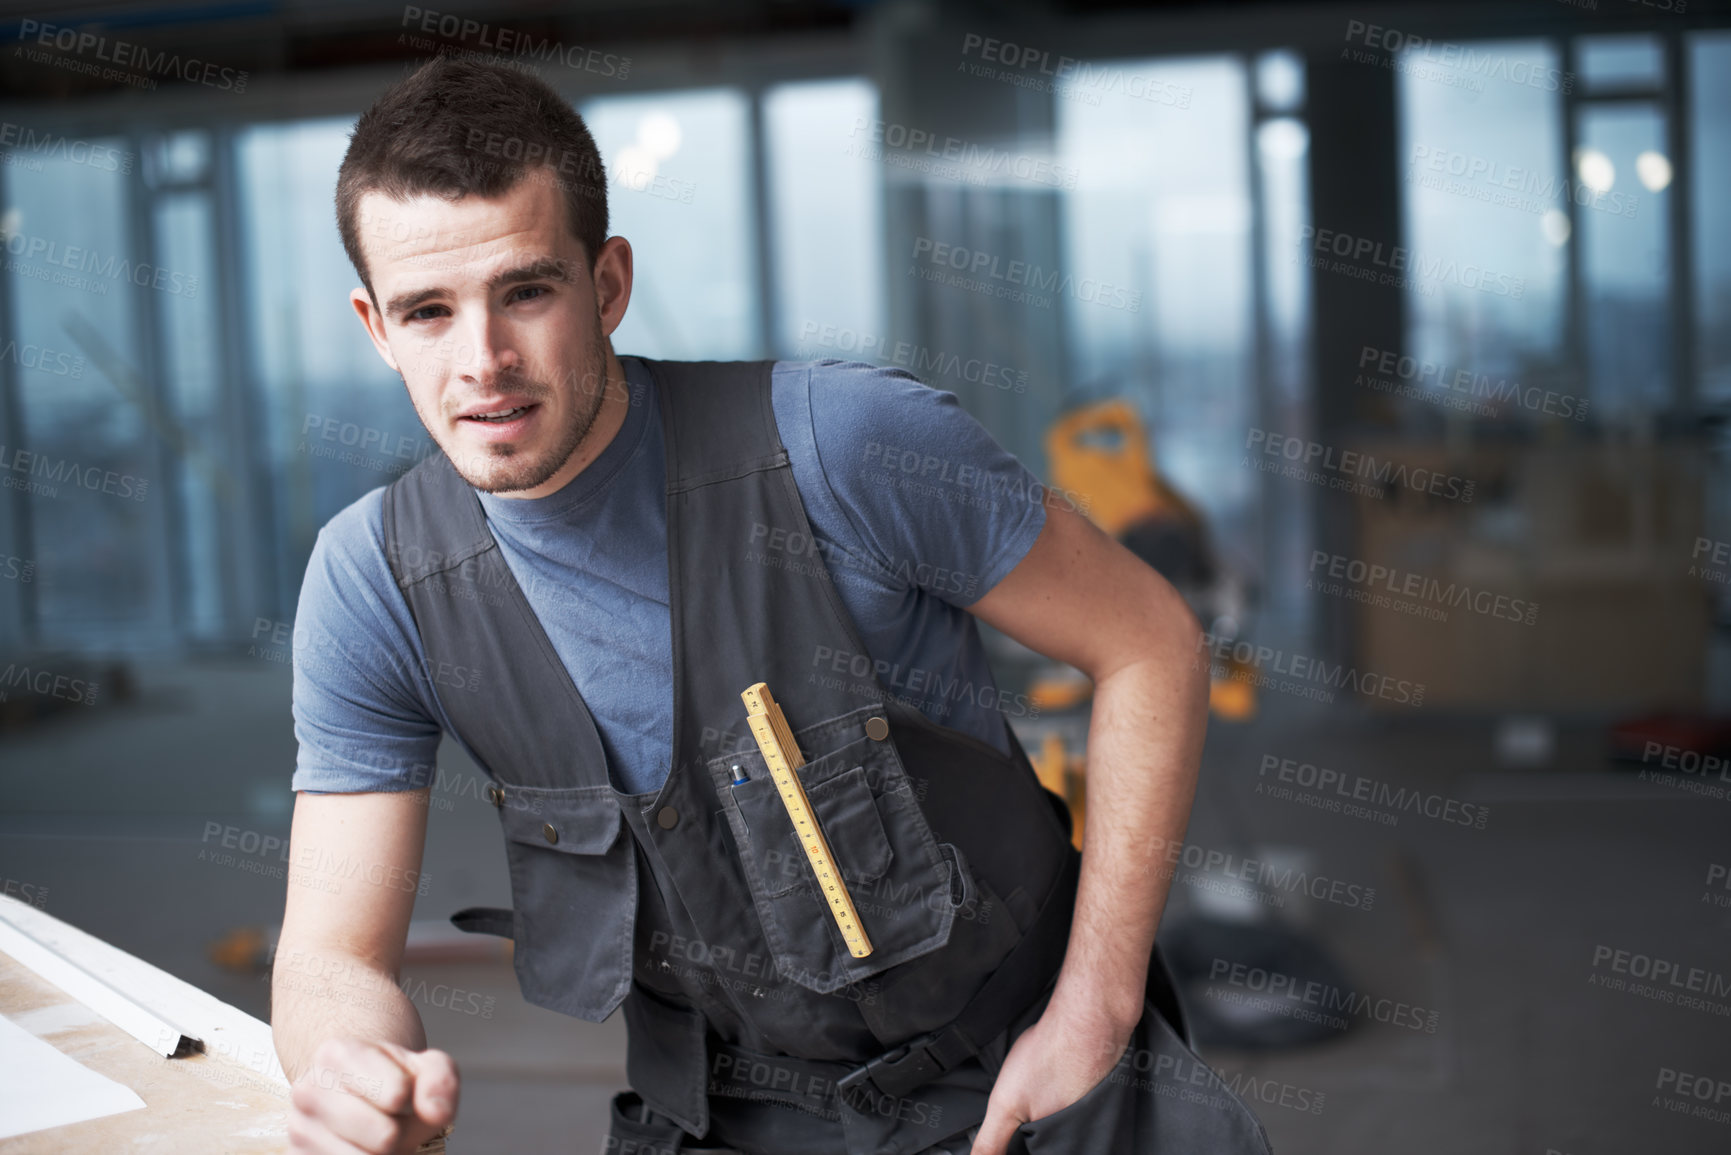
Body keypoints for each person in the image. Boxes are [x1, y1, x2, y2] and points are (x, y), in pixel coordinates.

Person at [271, 55, 1268, 1155]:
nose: (484, 363)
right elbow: (331, 957)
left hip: (1013, 1080)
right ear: (375, 325)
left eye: (526, 291)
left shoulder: (845, 445)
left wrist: (1095, 1011)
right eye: (426, 312)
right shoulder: (377, 585)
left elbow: (1150, 643)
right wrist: (344, 1067)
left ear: (606, 286)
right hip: (716, 1113)